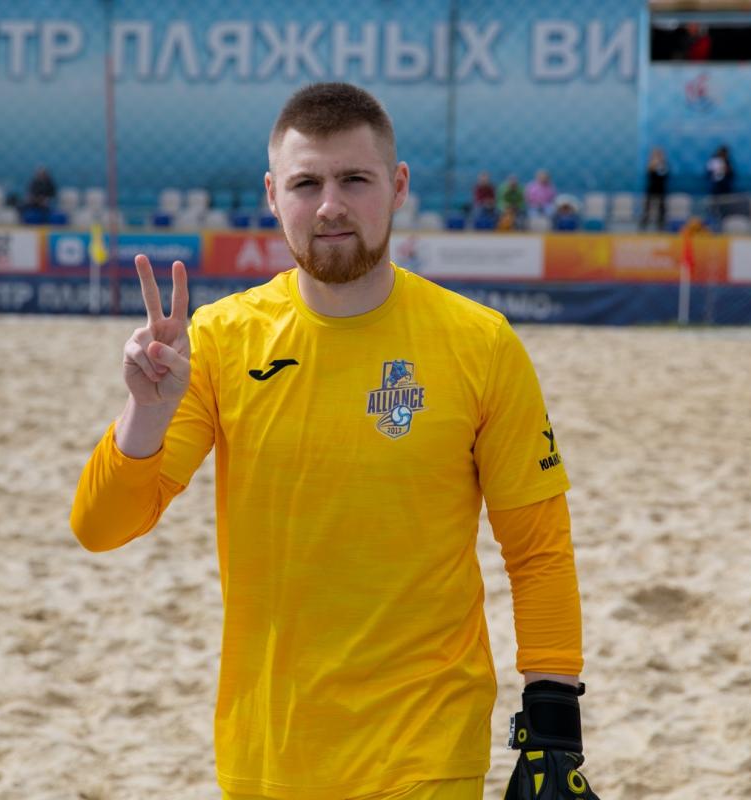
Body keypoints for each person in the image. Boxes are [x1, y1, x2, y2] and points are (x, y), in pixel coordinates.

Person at [70, 82, 597, 800]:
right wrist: (145, 413)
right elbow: (100, 528)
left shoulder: (481, 344)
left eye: (354, 179)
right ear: (272, 194)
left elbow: (537, 549)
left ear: (398, 186)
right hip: (270, 750)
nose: (330, 206)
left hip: (426, 749)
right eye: (306, 183)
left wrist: (555, 729)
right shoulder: (219, 343)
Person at [640, 147, 669, 231]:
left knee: (661, 207)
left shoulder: (664, 164)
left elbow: (665, 175)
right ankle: (644, 223)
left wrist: (660, 166)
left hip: (661, 189)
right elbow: (649, 175)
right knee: (647, 206)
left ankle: (661, 224)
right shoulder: (650, 164)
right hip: (651, 188)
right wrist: (653, 166)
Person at [705, 145, 734, 222]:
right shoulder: (713, 161)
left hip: (725, 188)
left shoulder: (727, 162)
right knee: (714, 206)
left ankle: (724, 219)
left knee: (725, 207)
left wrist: (727, 170)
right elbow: (708, 174)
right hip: (715, 188)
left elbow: (731, 174)